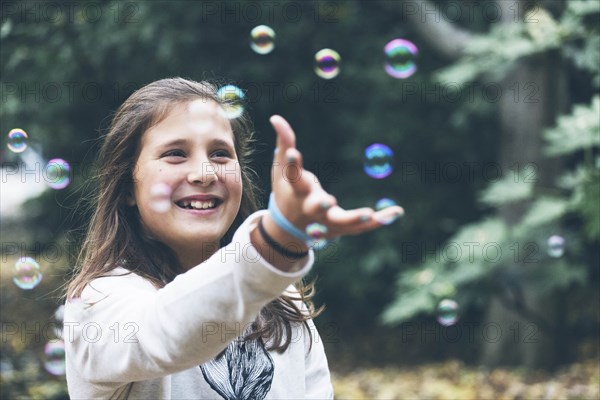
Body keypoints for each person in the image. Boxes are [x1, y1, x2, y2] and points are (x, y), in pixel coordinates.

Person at [64, 77, 404, 399]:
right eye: (176, 154)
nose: (205, 173)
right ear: (127, 188)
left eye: (220, 154)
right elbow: (164, 333)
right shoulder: (99, 302)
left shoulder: (282, 301)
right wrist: (276, 241)